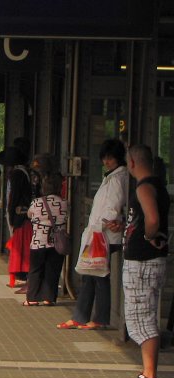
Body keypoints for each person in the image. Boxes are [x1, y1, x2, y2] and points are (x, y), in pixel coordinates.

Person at [115, 144, 169, 378]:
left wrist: (147, 236)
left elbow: (153, 219)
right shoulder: (158, 186)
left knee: (142, 316)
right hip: (149, 260)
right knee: (143, 314)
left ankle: (150, 376)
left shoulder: (144, 186)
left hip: (143, 262)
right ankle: (148, 373)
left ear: (132, 163)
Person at [57, 139, 128, 330]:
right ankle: (81, 316)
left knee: (99, 276)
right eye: (104, 158)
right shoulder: (112, 177)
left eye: (110, 158)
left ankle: (99, 318)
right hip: (100, 234)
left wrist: (100, 225)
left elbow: (112, 208)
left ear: (118, 158)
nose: (106, 162)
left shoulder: (117, 179)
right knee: (90, 274)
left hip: (104, 235)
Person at [23, 155, 66, 306]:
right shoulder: (63, 203)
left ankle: (32, 298)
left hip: (39, 241)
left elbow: (29, 215)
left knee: (35, 270)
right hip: (56, 242)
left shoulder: (37, 202)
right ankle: (49, 298)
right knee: (52, 270)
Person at [3, 137, 33, 289]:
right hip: (25, 216)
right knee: (24, 248)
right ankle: (23, 276)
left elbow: (14, 197)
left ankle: (22, 276)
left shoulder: (16, 174)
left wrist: (12, 216)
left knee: (19, 248)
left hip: (20, 217)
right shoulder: (26, 172)